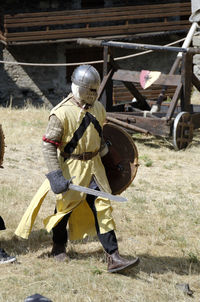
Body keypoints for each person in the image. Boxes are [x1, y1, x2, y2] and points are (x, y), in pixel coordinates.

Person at [42, 64, 140, 273]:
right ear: (80, 88)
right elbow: (48, 144)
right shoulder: (60, 114)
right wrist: (55, 175)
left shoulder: (98, 109)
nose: (95, 94)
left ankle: (113, 257)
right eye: (91, 90)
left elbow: (100, 139)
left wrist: (112, 163)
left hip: (95, 167)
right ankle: (58, 246)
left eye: (97, 90)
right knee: (64, 210)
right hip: (72, 167)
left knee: (103, 207)